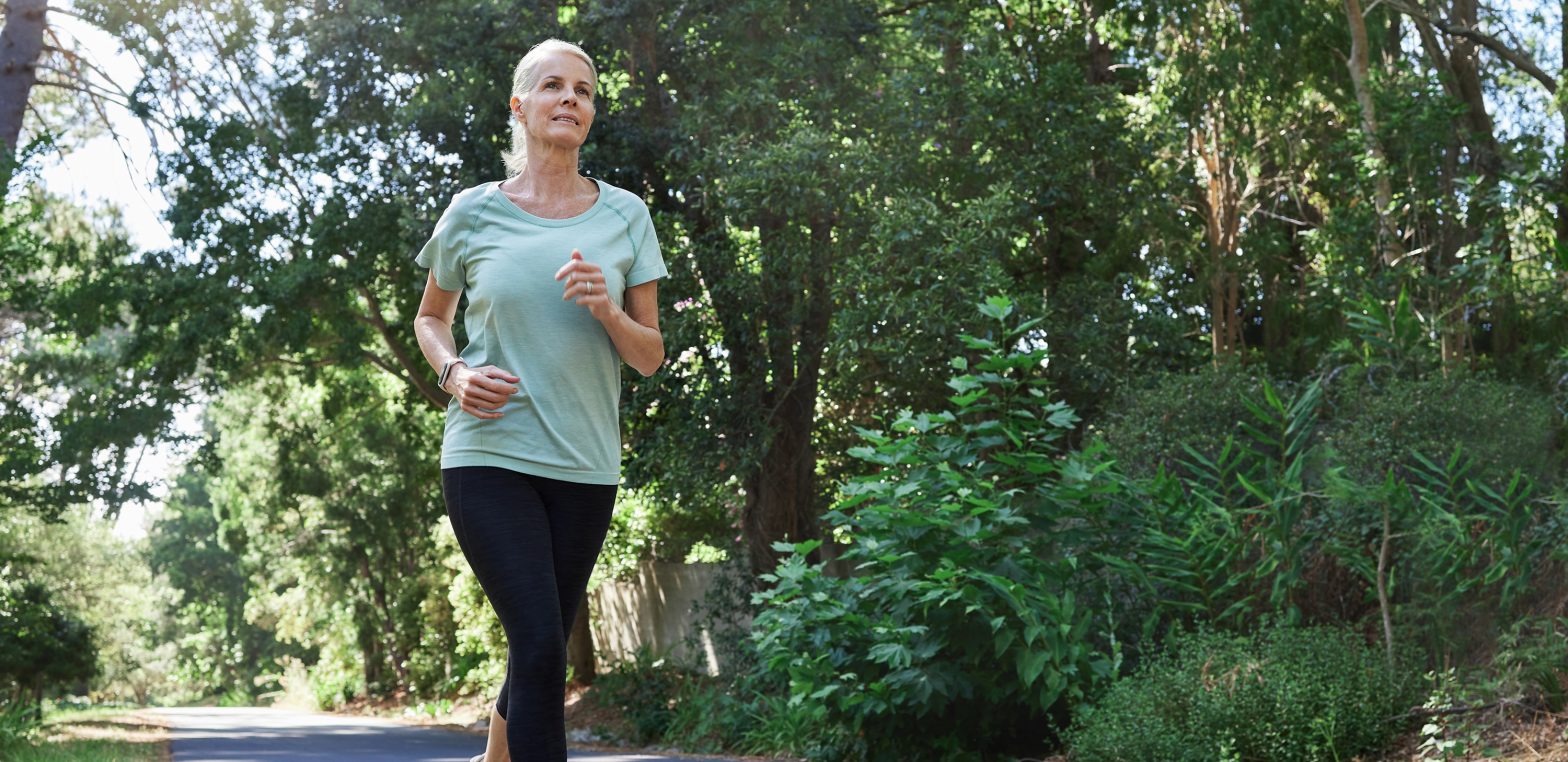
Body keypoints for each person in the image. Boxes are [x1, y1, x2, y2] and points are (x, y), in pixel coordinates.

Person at [412, 38, 665, 762]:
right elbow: (432, 317)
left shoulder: (625, 218)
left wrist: (609, 312)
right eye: (553, 87)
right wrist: (454, 373)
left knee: (541, 641)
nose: (570, 100)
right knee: (539, 641)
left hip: (584, 463)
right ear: (520, 108)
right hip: (488, 451)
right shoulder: (474, 213)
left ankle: (495, 756)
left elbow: (648, 356)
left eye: (584, 91)